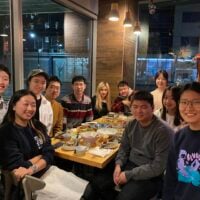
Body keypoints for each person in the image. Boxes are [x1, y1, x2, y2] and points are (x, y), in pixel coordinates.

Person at [0, 89, 89, 200]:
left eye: (33, 105)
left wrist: (35, 163)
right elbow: (18, 166)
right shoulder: (6, 132)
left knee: (88, 189)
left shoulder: (37, 126)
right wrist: (41, 156)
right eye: (25, 104)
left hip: (48, 171)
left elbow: (49, 151)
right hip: (31, 183)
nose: (30, 109)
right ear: (13, 106)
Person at [88, 90, 173, 200]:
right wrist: (118, 165)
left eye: (143, 107)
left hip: (151, 176)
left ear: (152, 107)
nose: (138, 111)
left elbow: (158, 167)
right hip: (129, 165)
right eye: (135, 107)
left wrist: (129, 175)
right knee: (96, 184)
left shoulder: (163, 131)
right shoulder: (131, 124)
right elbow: (124, 148)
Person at [163, 82, 200, 200]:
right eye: (184, 102)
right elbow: (171, 178)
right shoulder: (178, 136)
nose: (189, 107)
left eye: (196, 102)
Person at [27, 69, 53, 135]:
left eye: (43, 83)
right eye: (36, 81)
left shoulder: (47, 104)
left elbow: (49, 125)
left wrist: (43, 139)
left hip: (40, 140)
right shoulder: (19, 99)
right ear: (29, 82)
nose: (40, 85)